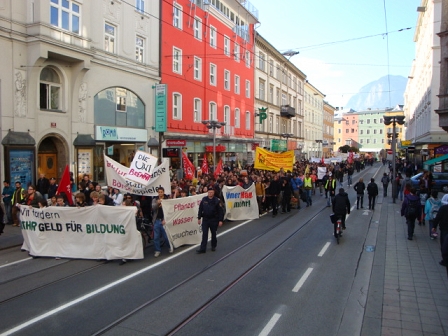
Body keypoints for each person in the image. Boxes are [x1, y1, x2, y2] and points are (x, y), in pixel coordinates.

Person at [196, 188, 224, 254]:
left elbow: (220, 211)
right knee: (204, 234)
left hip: (214, 219)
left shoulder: (217, 200)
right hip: (205, 219)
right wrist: (199, 218)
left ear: (213, 193)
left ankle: (213, 245)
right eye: (209, 192)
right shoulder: (204, 199)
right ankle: (203, 248)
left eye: (211, 192)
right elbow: (200, 209)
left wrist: (220, 220)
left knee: (213, 233)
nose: (210, 193)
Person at [152, 187, 173, 257]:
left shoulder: (167, 199)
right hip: (157, 220)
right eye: (159, 192)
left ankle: (169, 246)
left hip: (164, 220)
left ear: (163, 192)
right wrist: (158, 204)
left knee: (166, 236)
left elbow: (169, 209)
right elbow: (153, 208)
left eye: (161, 192)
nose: (160, 193)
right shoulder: (155, 199)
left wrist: (165, 219)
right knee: (156, 237)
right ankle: (157, 250)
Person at [432, 194, 448, 268]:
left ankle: (445, 260)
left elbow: (438, 217)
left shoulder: (443, 208)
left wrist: (434, 226)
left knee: (444, 243)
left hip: (444, 228)